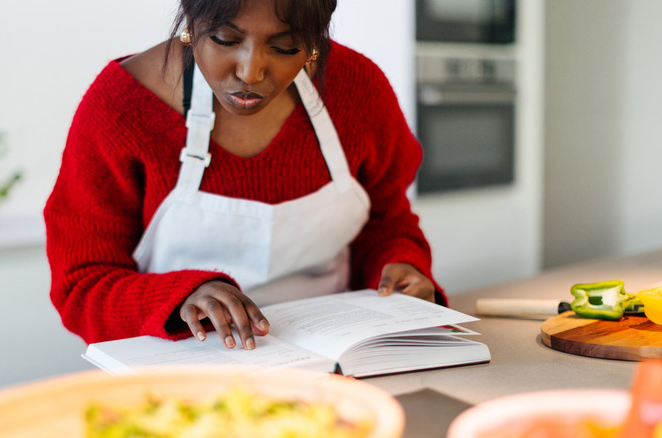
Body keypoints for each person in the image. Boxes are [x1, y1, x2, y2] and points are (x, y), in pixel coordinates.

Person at [44, 0, 445, 352]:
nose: (251, 71)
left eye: (286, 46)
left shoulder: (359, 90)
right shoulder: (121, 107)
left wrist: (402, 267)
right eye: (224, 39)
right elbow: (82, 285)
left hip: (335, 362)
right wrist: (179, 298)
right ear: (191, 20)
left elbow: (387, 222)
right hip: (175, 377)